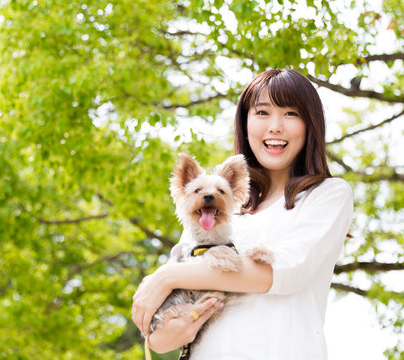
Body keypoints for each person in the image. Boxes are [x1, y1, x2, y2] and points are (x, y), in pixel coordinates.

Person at [131, 68, 353, 359]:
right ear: (245, 122)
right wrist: (168, 327)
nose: (275, 126)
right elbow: (159, 337)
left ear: (310, 124)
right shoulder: (214, 211)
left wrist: (166, 276)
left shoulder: (327, 194)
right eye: (262, 113)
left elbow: (285, 270)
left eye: (291, 113)